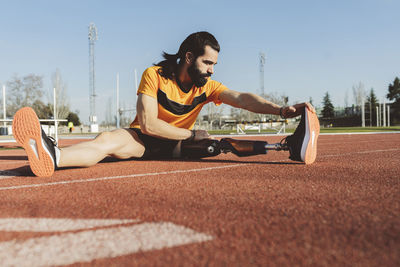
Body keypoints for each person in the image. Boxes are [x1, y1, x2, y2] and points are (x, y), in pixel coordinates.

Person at [12, 31, 320, 178]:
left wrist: (282, 110)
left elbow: (241, 99)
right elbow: (148, 124)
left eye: (214, 64)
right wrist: (189, 134)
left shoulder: (207, 87)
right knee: (106, 141)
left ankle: (288, 148)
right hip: (143, 140)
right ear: (188, 58)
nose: (212, 70)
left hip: (176, 147)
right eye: (207, 62)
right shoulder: (154, 75)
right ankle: (53, 155)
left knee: (217, 145)